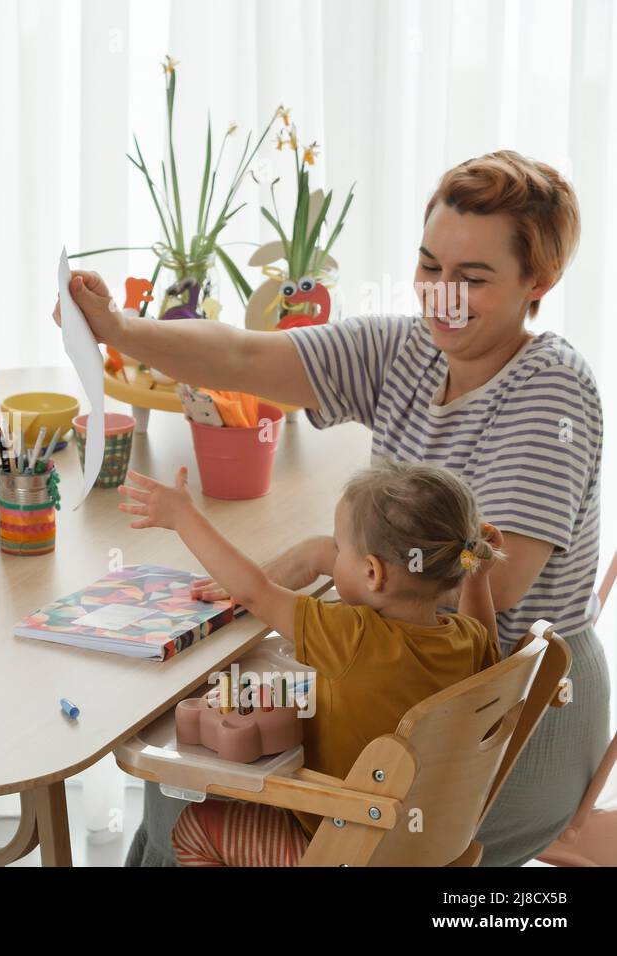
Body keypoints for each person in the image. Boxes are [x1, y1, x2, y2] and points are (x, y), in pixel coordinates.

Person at [57, 149, 607, 867]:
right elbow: (250, 359)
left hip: (508, 724)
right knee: (187, 766)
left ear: (541, 280)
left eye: (471, 279)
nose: (439, 297)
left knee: (191, 791)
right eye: (429, 266)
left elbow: (481, 592)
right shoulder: (407, 349)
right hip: (406, 688)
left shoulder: (552, 392)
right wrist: (120, 333)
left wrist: (324, 557)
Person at [119, 461, 502, 864]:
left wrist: (183, 518)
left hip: (342, 847)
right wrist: (480, 578)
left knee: (196, 827)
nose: (331, 557)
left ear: (372, 572)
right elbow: (491, 655)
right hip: (417, 845)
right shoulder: (467, 639)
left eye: (339, 549)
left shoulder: (351, 635)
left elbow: (253, 591)